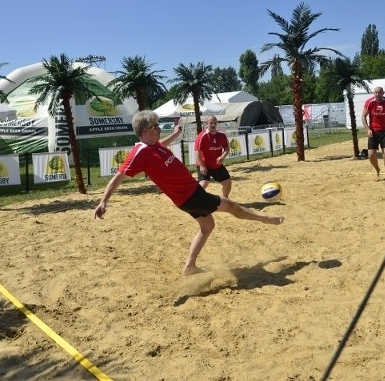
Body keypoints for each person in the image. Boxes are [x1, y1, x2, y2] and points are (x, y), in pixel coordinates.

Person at [94, 110, 284, 275]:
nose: (159, 128)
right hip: (190, 195)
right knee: (232, 206)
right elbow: (118, 176)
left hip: (187, 195)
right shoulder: (139, 152)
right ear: (145, 131)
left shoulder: (154, 145)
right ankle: (266, 219)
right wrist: (104, 201)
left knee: (207, 226)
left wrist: (175, 135)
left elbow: (162, 143)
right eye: (155, 125)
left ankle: (190, 266)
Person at [361, 86, 385, 181]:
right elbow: (363, 116)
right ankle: (377, 170)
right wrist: (368, 129)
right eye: (376, 93)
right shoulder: (370, 102)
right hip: (373, 131)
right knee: (371, 155)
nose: (377, 94)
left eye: (379, 93)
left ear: (383, 93)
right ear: (373, 93)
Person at [194, 115, 231, 197]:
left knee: (227, 182)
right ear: (207, 124)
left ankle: (225, 200)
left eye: (215, 123)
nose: (213, 125)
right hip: (204, 165)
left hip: (216, 165)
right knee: (204, 184)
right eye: (211, 123)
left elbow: (227, 148)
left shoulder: (221, 135)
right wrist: (202, 166)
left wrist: (222, 156)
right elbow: (197, 152)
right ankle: (194, 200)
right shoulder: (202, 136)